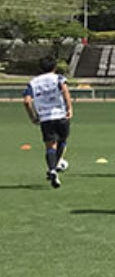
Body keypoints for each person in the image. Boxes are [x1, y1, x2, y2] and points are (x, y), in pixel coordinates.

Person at [22, 56, 72, 188]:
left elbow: (27, 101)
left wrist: (33, 116)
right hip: (61, 115)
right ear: (55, 67)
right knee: (62, 141)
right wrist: (69, 108)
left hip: (45, 118)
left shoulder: (33, 82)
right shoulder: (59, 78)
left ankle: (53, 170)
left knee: (50, 146)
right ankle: (55, 166)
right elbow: (65, 91)